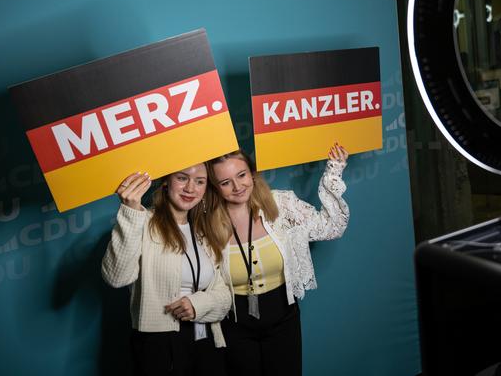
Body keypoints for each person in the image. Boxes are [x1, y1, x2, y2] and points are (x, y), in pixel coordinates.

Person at [205, 143, 350, 376]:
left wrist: (334, 171)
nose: (237, 186)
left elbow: (332, 227)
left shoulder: (282, 204)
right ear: (215, 187)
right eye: (225, 182)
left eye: (241, 175)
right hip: (233, 324)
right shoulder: (206, 224)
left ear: (252, 174)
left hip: (283, 318)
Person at [101, 164, 232, 376]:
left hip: (207, 338)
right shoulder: (142, 221)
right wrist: (130, 212)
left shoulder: (203, 231)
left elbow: (225, 294)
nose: (191, 188)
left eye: (200, 181)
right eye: (182, 178)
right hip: (159, 345)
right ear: (165, 181)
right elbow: (116, 277)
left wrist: (198, 304)